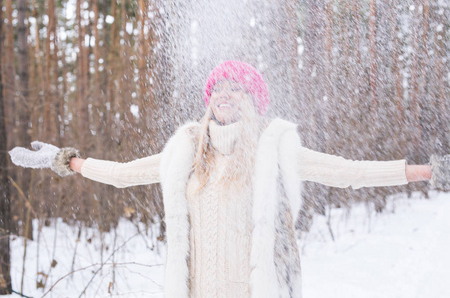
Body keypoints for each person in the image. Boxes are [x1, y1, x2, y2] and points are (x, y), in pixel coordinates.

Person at [9, 60, 450, 298]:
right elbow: (125, 176)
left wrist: (423, 172)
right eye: (217, 87)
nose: (223, 93)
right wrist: (68, 162)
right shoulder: (186, 149)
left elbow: (346, 173)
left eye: (235, 87)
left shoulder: (271, 148)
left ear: (251, 99)